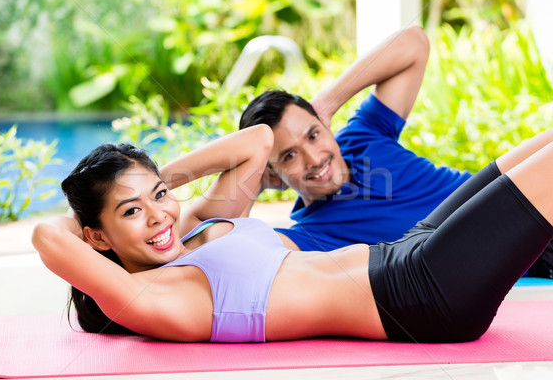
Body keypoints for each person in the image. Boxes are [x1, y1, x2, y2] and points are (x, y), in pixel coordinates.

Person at [33, 122, 553, 343]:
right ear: (95, 238)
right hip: (423, 294)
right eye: (130, 213)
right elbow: (48, 236)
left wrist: (149, 183)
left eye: (160, 198)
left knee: (539, 146)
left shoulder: (191, 229)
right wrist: (103, 207)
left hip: (407, 251)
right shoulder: (148, 299)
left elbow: (257, 141)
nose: (156, 217)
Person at [239, 26, 553, 278]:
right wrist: (252, 176)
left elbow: (413, 44)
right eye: (289, 156)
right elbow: (229, 247)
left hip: (531, 191)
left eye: (313, 134)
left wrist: (326, 103)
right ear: (272, 173)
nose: (314, 158)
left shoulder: (362, 135)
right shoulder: (311, 237)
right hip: (534, 244)